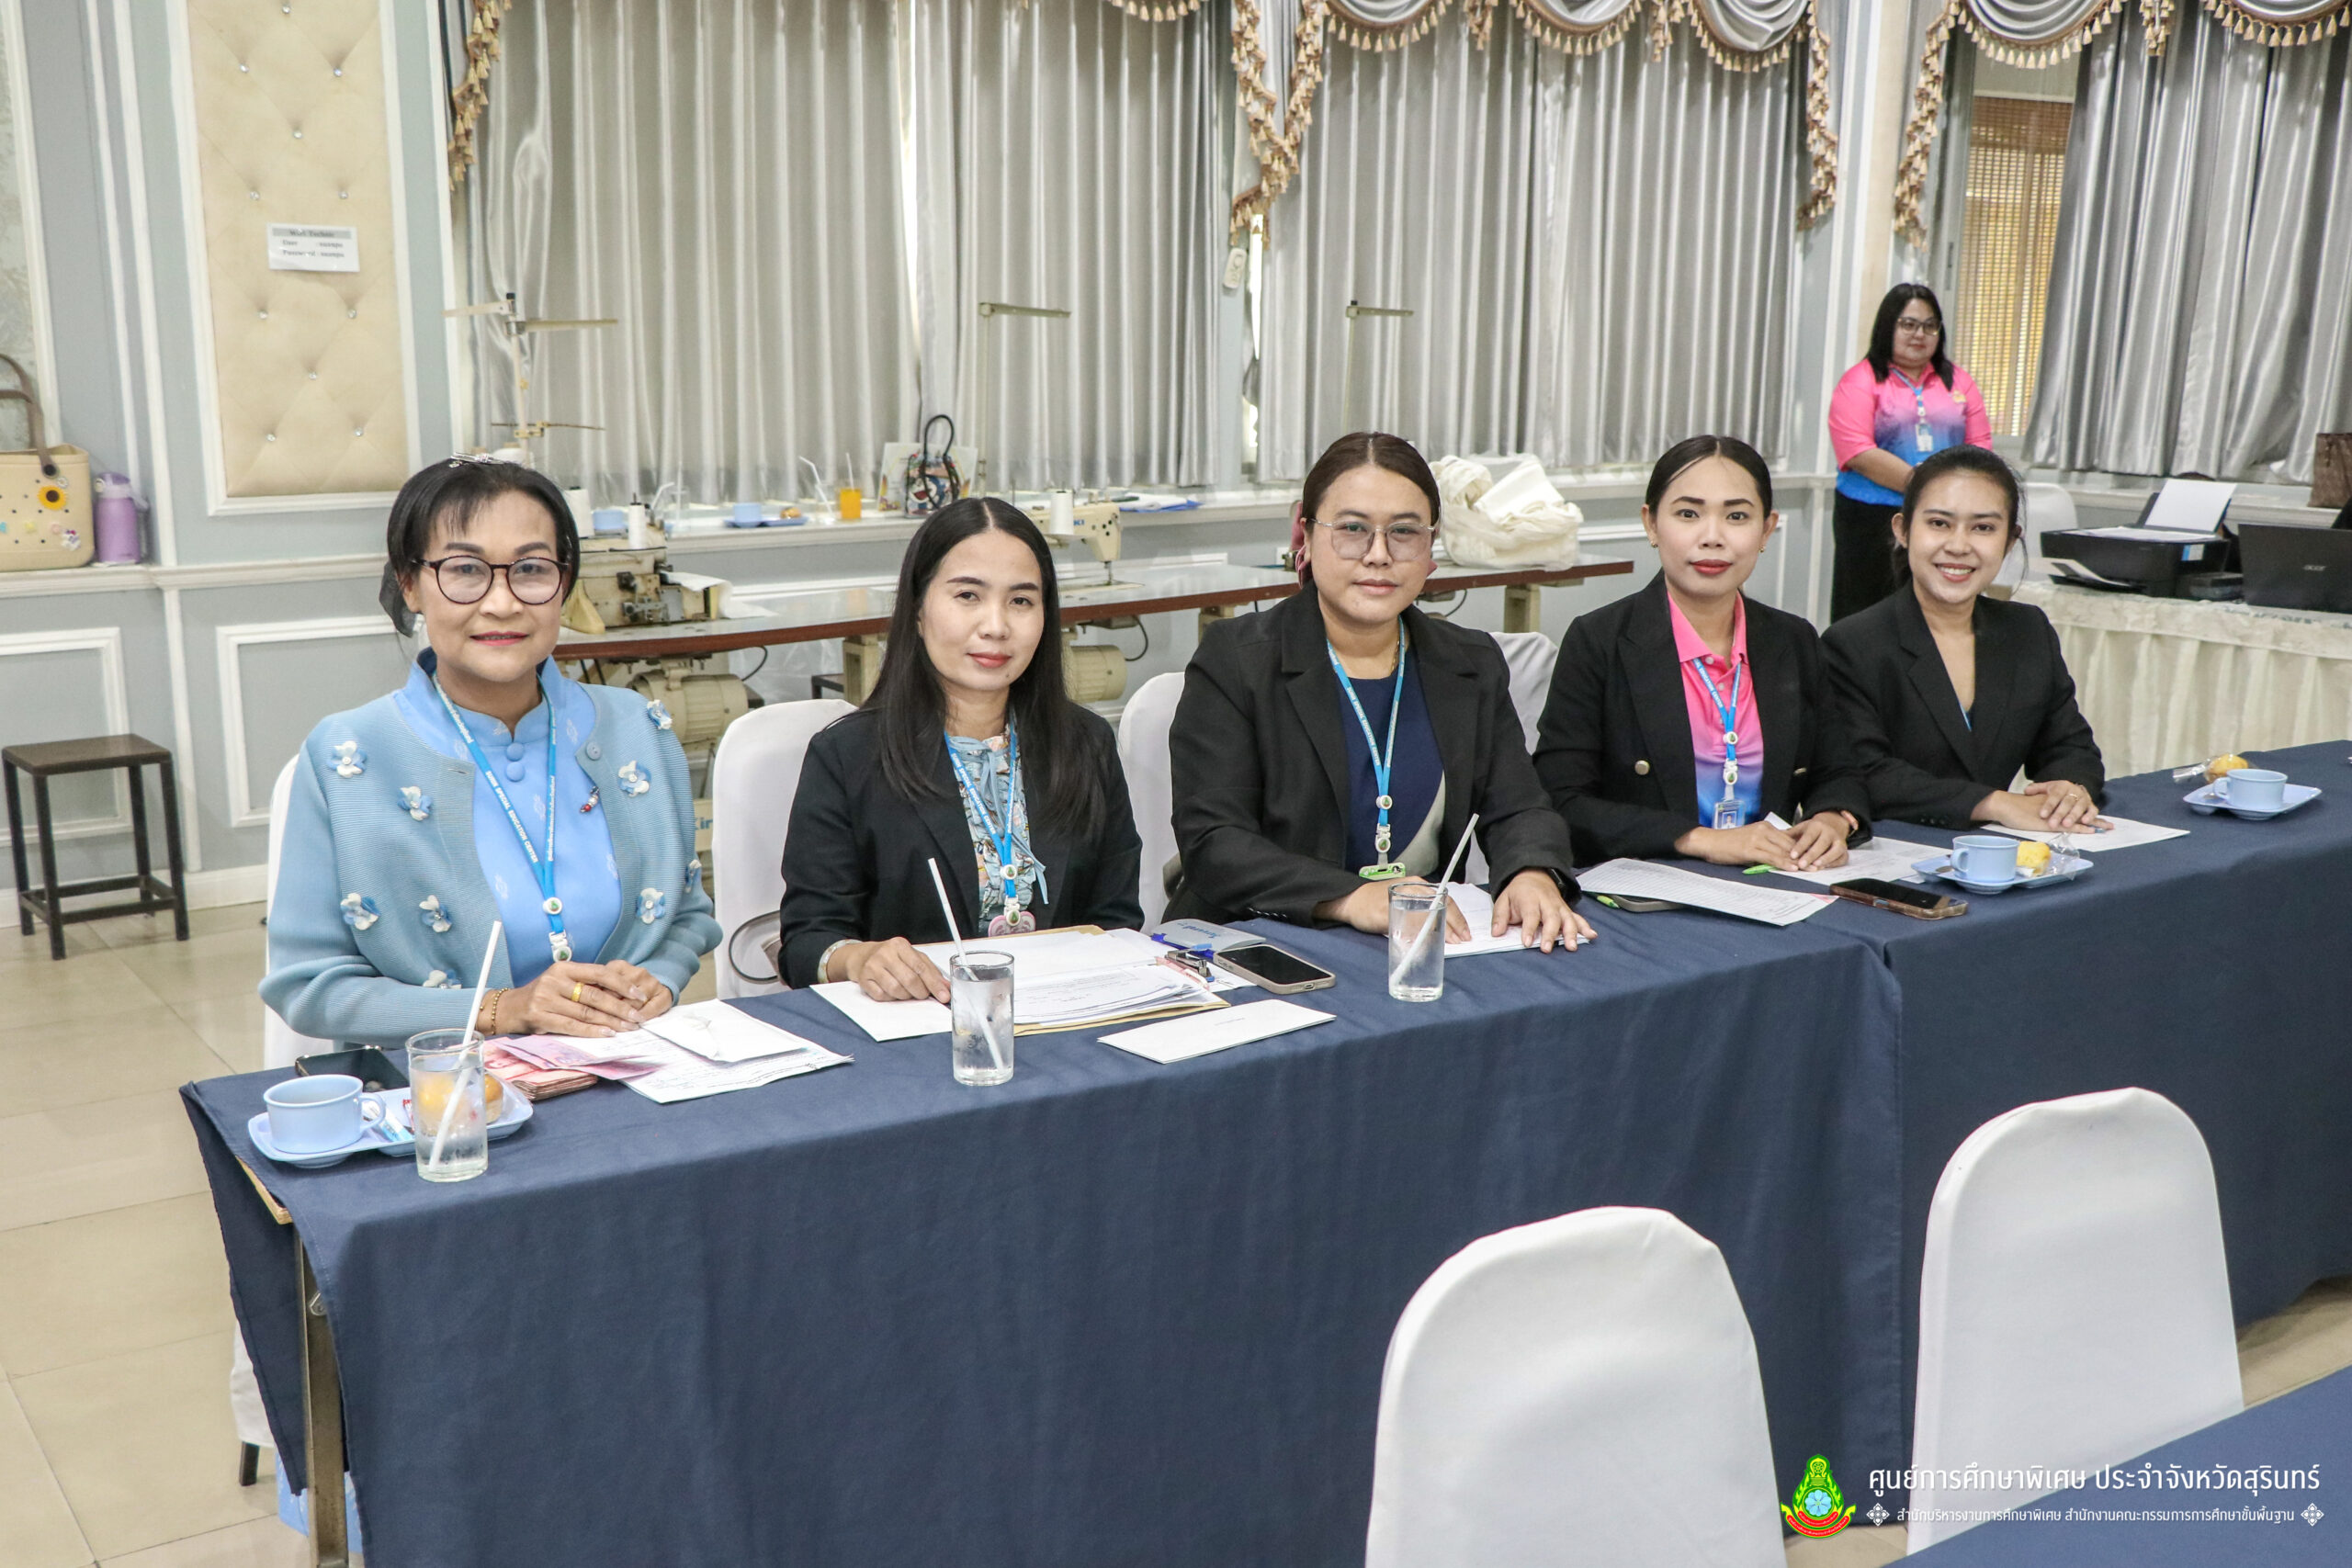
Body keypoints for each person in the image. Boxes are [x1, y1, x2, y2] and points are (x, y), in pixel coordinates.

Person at [263, 458, 718, 1047]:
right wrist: (504, 1009)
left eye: (531, 569)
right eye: (465, 570)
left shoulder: (637, 727)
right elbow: (309, 987)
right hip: (444, 1089)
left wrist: (658, 980)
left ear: (564, 583)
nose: (502, 603)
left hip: (633, 1069)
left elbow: (686, 915)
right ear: (410, 585)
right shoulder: (350, 758)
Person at [1166, 432, 1590, 951]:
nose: (1379, 555)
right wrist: (1349, 898)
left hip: (1414, 942)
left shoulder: (1469, 664)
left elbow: (1520, 806)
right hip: (1257, 940)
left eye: (1404, 532)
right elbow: (1214, 843)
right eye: (1352, 529)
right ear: (1306, 535)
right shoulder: (1236, 660)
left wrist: (1531, 870)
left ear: (1430, 546)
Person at [779, 497, 1144, 1000]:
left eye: (1021, 601)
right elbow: (806, 943)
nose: (996, 626)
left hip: (1067, 1015)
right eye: (968, 595)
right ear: (918, 609)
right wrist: (859, 958)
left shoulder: (1087, 744)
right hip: (918, 1020)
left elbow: (1118, 919)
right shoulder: (846, 755)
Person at [1534, 434, 1870, 871]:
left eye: (1737, 516)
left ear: (1767, 529)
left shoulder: (1793, 640)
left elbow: (1840, 769)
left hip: (1775, 883)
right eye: (1688, 514)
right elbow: (1562, 800)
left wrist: (1832, 819)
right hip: (1652, 884)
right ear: (1651, 524)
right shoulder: (1599, 641)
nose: (1712, 537)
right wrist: (1701, 841)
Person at [1822, 446, 2105, 831]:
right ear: (1903, 530)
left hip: (2004, 851)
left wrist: (2070, 789)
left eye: (1983, 528)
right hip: (1897, 847)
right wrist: (1993, 803)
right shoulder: (1853, 643)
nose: (1958, 546)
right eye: (1939, 523)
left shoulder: (2027, 630)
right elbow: (1864, 773)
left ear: (2010, 541)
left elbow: (2070, 746)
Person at [1827, 284, 1993, 623]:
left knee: (1933, 612)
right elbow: (1858, 451)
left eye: (1930, 326)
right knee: (1866, 615)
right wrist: (1927, 486)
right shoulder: (1860, 380)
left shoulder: (1958, 381)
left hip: (1944, 518)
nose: (1920, 334)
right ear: (1887, 326)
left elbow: (1979, 446)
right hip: (1871, 518)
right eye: (1908, 324)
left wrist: (1944, 495)